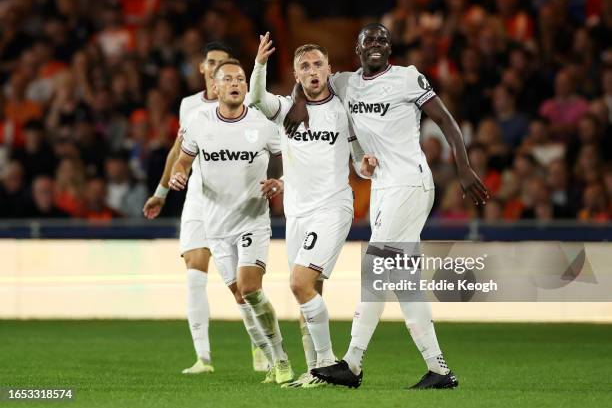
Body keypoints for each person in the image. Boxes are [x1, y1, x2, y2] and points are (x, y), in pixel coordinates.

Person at [286, 23, 488, 389]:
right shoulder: (345, 83)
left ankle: (352, 363)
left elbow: (446, 121)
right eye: (370, 40)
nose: (377, 44)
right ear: (358, 48)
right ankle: (439, 370)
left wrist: (464, 167)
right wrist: (298, 101)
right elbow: (308, 77)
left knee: (375, 267)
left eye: (383, 40)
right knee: (403, 281)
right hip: (382, 188)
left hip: (410, 183)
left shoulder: (409, 78)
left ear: (390, 49)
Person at [142, 42, 266, 374]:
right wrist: (162, 192)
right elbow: (177, 151)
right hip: (198, 195)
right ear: (202, 68)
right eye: (211, 62)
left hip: (235, 200)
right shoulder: (190, 107)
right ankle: (203, 358)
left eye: (223, 65)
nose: (216, 69)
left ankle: (259, 344)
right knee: (195, 272)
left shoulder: (247, 106)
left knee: (241, 285)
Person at [249, 33, 365, 387]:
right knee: (309, 293)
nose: (312, 71)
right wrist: (260, 64)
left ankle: (329, 365)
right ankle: (315, 369)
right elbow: (255, 99)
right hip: (296, 213)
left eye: (318, 64)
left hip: (332, 208)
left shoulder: (344, 111)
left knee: (299, 283)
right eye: (304, 66)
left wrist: (368, 163)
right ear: (296, 75)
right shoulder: (286, 109)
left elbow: (360, 164)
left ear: (330, 69)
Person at [169, 58, 294, 384]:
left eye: (240, 78)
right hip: (216, 226)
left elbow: (284, 159)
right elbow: (183, 160)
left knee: (251, 289)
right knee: (240, 296)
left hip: (252, 220)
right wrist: (178, 176)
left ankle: (281, 358)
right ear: (217, 85)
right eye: (229, 79)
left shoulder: (262, 123)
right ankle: (270, 359)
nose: (236, 83)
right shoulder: (199, 121)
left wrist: (278, 181)